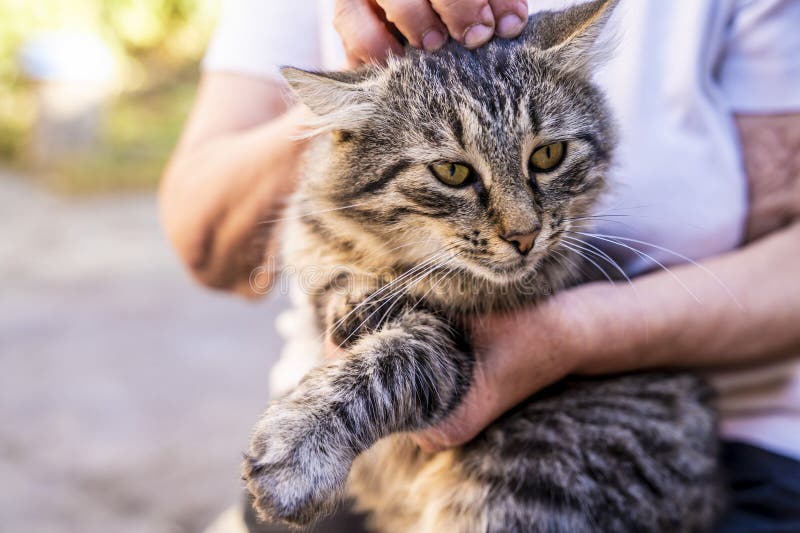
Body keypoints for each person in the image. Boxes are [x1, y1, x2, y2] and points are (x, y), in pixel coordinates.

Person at [160, 1, 800, 531]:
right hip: (365, 473)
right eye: (455, 173)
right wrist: (370, 97)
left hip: (618, 431)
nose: (521, 226)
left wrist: (572, 334)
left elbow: (440, 348)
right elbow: (207, 246)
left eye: (546, 159)